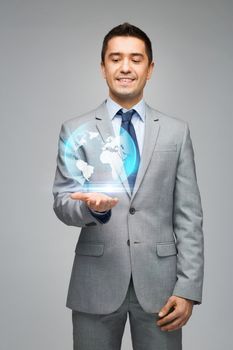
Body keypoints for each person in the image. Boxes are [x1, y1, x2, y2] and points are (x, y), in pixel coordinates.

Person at [52, 22, 204, 350]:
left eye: (136, 59)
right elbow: (63, 202)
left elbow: (189, 217)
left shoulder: (176, 132)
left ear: (150, 69)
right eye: (115, 58)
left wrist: (188, 288)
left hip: (162, 288)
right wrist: (89, 208)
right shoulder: (75, 129)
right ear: (103, 67)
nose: (125, 67)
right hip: (95, 283)